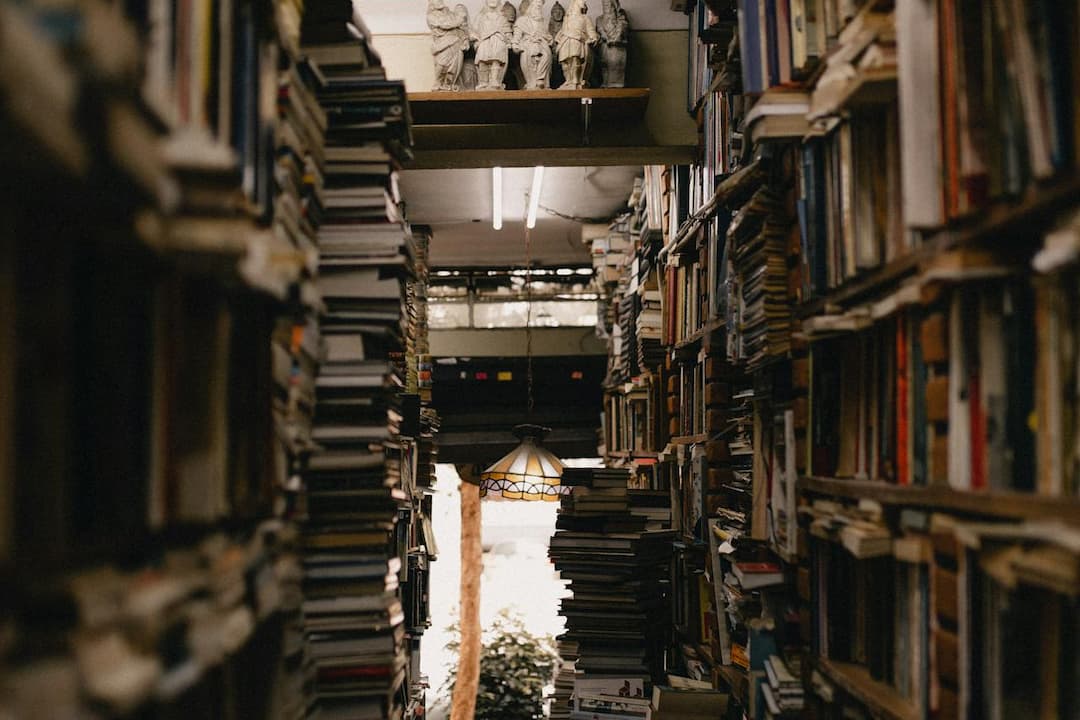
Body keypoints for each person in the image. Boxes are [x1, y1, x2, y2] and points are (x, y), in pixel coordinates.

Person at [553, 0, 597, 89]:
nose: (583, 3)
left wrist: (593, 37)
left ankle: (576, 81)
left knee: (575, 59)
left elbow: (590, 30)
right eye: (581, 1)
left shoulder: (585, 18)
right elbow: (563, 30)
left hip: (577, 40)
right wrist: (558, 36)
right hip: (566, 41)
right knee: (565, 62)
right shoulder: (567, 18)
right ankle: (568, 81)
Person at [471, 0, 514, 89]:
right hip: (484, 41)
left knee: (496, 59)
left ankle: (494, 80)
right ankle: (483, 81)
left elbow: (507, 32)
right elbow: (473, 31)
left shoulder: (502, 18)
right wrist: (475, 38)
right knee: (482, 60)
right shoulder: (481, 17)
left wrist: (509, 40)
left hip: (498, 40)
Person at [427, 0, 468, 91]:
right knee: (442, 63)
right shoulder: (431, 16)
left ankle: (448, 83)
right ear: (431, 3)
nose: (439, 2)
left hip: (456, 42)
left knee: (454, 65)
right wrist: (458, 21)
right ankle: (438, 82)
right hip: (443, 43)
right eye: (436, 1)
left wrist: (464, 39)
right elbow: (445, 25)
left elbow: (460, 29)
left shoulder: (450, 13)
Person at [513, 0, 553, 89]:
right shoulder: (522, 21)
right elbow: (517, 37)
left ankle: (541, 80)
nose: (538, 9)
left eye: (540, 7)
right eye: (536, 6)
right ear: (531, 7)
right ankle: (532, 83)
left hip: (542, 44)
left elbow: (548, 36)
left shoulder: (543, 22)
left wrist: (549, 39)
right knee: (530, 55)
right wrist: (516, 45)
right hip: (528, 45)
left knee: (545, 55)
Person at [596, 0, 629, 87]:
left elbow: (622, 28)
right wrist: (606, 38)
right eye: (604, 5)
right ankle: (605, 82)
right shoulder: (599, 19)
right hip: (605, 46)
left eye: (608, 5)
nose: (606, 7)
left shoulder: (621, 19)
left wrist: (616, 38)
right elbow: (600, 29)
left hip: (617, 46)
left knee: (616, 64)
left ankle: (616, 84)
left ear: (614, 6)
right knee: (604, 65)